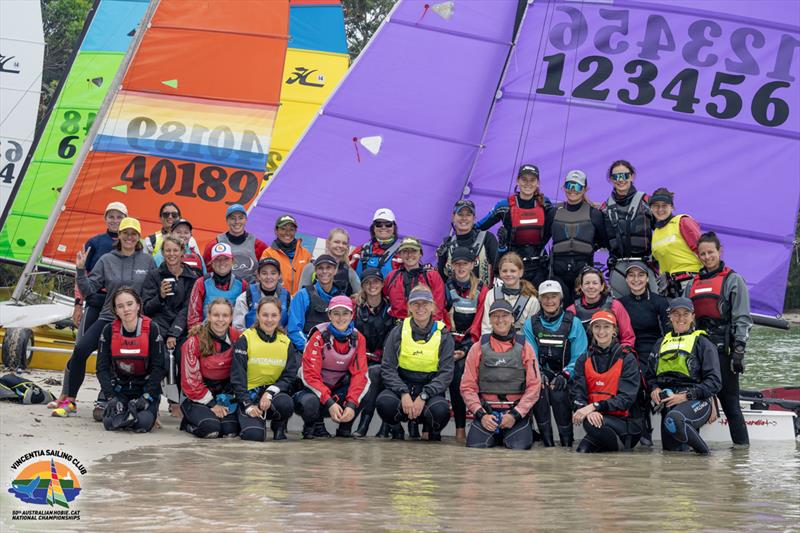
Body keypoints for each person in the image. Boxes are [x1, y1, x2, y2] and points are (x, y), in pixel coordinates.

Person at [52, 218, 155, 418]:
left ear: (138, 237)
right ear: (120, 235)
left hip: (135, 322)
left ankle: (126, 402)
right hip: (109, 317)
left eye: (133, 234)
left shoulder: (147, 261)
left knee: (123, 360)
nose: (129, 237)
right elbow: (88, 288)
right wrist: (81, 270)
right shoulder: (107, 259)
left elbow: (151, 292)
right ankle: (70, 401)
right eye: (126, 233)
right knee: (80, 350)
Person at [685, 231, 753, 446]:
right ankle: (695, 455)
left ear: (719, 251)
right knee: (695, 401)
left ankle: (741, 455)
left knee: (730, 404)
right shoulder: (691, 284)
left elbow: (742, 317)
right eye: (702, 253)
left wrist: (739, 350)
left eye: (710, 252)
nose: (706, 257)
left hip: (724, 351)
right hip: (698, 351)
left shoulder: (734, 280)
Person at [461, 300, 542, 449]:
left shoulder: (525, 347)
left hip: (515, 414)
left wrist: (515, 415)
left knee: (519, 450)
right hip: (487, 413)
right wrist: (481, 415)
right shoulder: (477, 347)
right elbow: (467, 386)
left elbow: (534, 386)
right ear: (490, 319)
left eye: (505, 316)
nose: (500, 320)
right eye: (495, 316)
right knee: (475, 448)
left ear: (512, 318)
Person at [377, 285, 454, 441]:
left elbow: (446, 374)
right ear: (409, 307)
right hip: (403, 388)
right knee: (385, 402)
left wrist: (424, 395)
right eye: (415, 304)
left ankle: (432, 432)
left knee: (440, 410)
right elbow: (387, 368)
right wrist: (403, 392)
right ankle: (396, 431)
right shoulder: (397, 331)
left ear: (432, 306)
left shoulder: (444, 335)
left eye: (425, 303)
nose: (420, 308)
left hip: (429, 392)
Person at [646, 298, 722, 454]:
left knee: (675, 419)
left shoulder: (703, 343)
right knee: (671, 453)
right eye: (676, 314)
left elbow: (715, 382)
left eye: (685, 314)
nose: (681, 319)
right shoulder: (660, 343)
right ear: (670, 317)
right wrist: (654, 388)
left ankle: (707, 457)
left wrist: (685, 396)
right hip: (669, 401)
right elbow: (650, 376)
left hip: (696, 400)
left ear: (693, 316)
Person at [523, 280, 588, 447]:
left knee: (559, 395)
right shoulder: (531, 323)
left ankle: (567, 443)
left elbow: (580, 356)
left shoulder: (574, 323)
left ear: (561, 299)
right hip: (543, 372)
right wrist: (539, 374)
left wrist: (565, 375)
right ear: (539, 299)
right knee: (540, 393)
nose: (549, 301)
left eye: (553, 297)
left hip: (568, 374)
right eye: (545, 297)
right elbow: (530, 355)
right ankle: (548, 444)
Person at [294, 296, 369, 438]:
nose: (341, 318)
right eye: (336, 313)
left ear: (352, 315)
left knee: (363, 392)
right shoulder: (318, 337)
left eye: (345, 313)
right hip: (313, 393)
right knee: (310, 403)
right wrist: (329, 402)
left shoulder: (358, 339)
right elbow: (309, 375)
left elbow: (360, 375)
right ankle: (312, 426)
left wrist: (352, 405)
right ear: (329, 315)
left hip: (336, 391)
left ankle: (345, 428)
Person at [141, 236, 199, 413]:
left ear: (182, 252)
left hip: (181, 328)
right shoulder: (154, 276)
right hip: (158, 327)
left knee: (185, 358)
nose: (172, 254)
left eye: (175, 250)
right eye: (168, 250)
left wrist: (174, 333)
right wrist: (160, 297)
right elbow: (146, 308)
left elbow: (188, 308)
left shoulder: (192, 277)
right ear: (162, 252)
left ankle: (180, 402)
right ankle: (152, 404)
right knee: (161, 361)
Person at [571, 311, 641, 453]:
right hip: (597, 421)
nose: (601, 331)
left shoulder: (627, 358)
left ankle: (622, 451)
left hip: (625, 425)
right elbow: (577, 393)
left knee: (588, 423)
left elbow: (626, 399)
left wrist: (594, 407)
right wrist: (587, 409)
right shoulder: (583, 359)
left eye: (606, 327)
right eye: (597, 327)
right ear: (591, 330)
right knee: (581, 452)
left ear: (614, 330)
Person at [96, 287, 165, 433]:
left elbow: (159, 367)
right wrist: (110, 397)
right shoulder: (108, 330)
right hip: (120, 390)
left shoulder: (152, 328)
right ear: (115, 310)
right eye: (120, 306)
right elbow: (101, 368)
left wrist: (147, 397)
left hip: (145, 390)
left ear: (138, 305)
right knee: (110, 423)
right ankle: (126, 410)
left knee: (141, 425)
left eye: (129, 304)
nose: (126, 309)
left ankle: (150, 412)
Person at [231, 297, 298, 442]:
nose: (269, 320)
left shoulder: (285, 342)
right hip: (249, 396)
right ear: (258, 315)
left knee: (286, 403)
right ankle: (245, 420)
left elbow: (289, 377)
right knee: (254, 436)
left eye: (274, 315)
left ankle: (278, 426)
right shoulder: (246, 339)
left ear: (280, 316)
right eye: (265, 315)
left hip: (271, 396)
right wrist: (248, 405)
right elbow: (238, 377)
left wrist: (269, 392)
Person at [618, 261, 670, 445]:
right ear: (626, 279)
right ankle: (640, 425)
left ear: (647, 278)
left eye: (640, 275)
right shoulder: (620, 304)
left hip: (656, 351)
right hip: (631, 352)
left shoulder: (660, 302)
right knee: (632, 373)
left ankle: (660, 425)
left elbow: (668, 333)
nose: (636, 279)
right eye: (631, 276)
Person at [477, 164, 551, 286]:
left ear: (538, 183)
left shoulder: (545, 204)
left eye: (532, 180)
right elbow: (479, 227)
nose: (528, 183)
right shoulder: (504, 206)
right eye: (524, 179)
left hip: (539, 268)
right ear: (517, 181)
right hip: (512, 268)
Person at [445, 247, 489, 441]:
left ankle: (464, 427)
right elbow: (442, 317)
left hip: (472, 345)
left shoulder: (483, 290)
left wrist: (464, 349)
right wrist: (449, 347)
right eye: (457, 264)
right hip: (449, 344)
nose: (461, 267)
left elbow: (479, 323)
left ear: (473, 264)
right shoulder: (446, 287)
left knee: (458, 374)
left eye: (465, 263)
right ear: (451, 266)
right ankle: (438, 427)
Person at [180, 298, 241, 438]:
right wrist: (212, 404)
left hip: (225, 396)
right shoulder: (193, 342)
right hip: (199, 398)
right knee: (211, 430)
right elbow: (191, 381)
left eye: (225, 315)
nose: (220, 320)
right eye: (216, 315)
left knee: (230, 431)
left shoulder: (237, 337)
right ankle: (188, 421)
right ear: (208, 316)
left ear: (231, 317)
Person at [546, 170, 607, 303]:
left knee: (581, 308)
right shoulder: (553, 212)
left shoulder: (594, 214)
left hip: (583, 270)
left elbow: (604, 240)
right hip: (558, 271)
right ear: (564, 187)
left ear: (585, 189)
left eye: (578, 186)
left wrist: (591, 246)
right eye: (569, 185)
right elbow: (541, 239)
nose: (573, 190)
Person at [601, 160, 657, 298]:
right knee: (619, 310)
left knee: (653, 306)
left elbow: (665, 226)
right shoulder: (604, 208)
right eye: (616, 177)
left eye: (624, 175)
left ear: (632, 176)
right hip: (618, 267)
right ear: (611, 179)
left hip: (644, 265)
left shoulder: (646, 201)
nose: (621, 180)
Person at [351, 268, 395, 438]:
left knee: (378, 373)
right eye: (367, 282)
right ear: (362, 286)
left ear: (382, 284)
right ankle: (368, 424)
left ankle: (368, 425)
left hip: (385, 359)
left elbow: (393, 337)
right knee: (371, 374)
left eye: (375, 281)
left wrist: (381, 355)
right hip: (360, 358)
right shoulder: (356, 307)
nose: (372, 285)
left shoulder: (391, 308)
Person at [72, 201, 127, 336]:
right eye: (111, 217)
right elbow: (82, 274)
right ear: (105, 219)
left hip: (122, 303)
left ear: (126, 219)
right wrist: (78, 305)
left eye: (119, 217)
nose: (115, 221)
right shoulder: (94, 242)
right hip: (97, 299)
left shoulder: (133, 244)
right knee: (81, 344)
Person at [383, 237, 450, 327]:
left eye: (414, 251)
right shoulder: (392, 277)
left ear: (420, 254)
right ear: (400, 255)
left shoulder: (432, 276)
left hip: (426, 327)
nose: (409, 255)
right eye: (405, 251)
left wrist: (429, 330)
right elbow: (383, 298)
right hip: (398, 327)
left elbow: (438, 307)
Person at [649, 187, 703, 297]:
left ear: (672, 207)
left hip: (691, 282)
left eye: (664, 205)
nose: (660, 209)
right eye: (656, 206)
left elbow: (703, 249)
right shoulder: (656, 233)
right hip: (669, 287)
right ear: (650, 208)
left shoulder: (682, 221)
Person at [566, 267, 636, 348]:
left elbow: (628, 338)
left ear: (602, 286)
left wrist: (621, 354)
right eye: (587, 283)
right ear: (581, 287)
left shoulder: (615, 306)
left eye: (595, 283)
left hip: (612, 354)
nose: (591, 286)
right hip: (583, 355)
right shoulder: (572, 310)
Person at [287, 255, 343, 351]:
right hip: (307, 352)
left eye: (328, 268)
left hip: (334, 354)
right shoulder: (303, 295)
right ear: (315, 271)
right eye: (320, 268)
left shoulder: (342, 298)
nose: (324, 271)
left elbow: (346, 329)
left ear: (335, 270)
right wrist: (311, 349)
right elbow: (294, 330)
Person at [187, 243, 248, 330]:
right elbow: (193, 320)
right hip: (206, 335)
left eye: (226, 259)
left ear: (232, 261)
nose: (221, 263)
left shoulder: (243, 285)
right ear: (211, 263)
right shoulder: (201, 283)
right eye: (217, 260)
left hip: (233, 336)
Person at [437, 199, 498, 285]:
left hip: (483, 296)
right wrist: (441, 260)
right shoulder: (447, 244)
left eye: (468, 215)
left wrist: (503, 249)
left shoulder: (487, 238)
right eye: (460, 214)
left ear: (474, 218)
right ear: (453, 216)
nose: (464, 218)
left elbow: (500, 269)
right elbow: (441, 280)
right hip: (454, 297)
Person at [202, 204, 268, 284]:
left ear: (246, 219)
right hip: (223, 291)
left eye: (240, 218)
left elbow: (268, 271)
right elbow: (206, 274)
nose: (237, 222)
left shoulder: (259, 245)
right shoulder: (214, 245)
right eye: (233, 218)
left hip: (250, 292)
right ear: (227, 221)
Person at [479, 252, 539, 335]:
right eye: (504, 271)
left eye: (513, 271)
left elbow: (531, 332)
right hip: (495, 342)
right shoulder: (491, 295)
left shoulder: (531, 300)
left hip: (520, 343)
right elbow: (486, 327)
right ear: (500, 272)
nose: (508, 274)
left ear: (521, 272)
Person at [260, 214, 313, 294]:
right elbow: (264, 280)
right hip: (277, 301)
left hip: (300, 302)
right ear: (276, 231)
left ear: (295, 231)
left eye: (291, 229)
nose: (287, 233)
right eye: (283, 229)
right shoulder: (268, 254)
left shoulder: (306, 254)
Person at [233, 257, 291, 331]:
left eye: (273, 273)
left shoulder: (288, 298)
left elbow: (291, 329)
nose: (269, 277)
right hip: (251, 341)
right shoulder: (245, 298)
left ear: (279, 275)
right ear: (258, 276)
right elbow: (238, 328)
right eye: (264, 273)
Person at [300, 228, 361, 295]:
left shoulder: (350, 273)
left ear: (347, 247)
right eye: (337, 242)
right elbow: (300, 298)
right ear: (328, 243)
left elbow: (361, 295)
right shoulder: (311, 268)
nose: (340, 246)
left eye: (344, 243)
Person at [350, 208, 403, 278]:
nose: (383, 227)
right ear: (373, 228)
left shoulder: (402, 252)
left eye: (388, 224)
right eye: (378, 224)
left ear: (394, 227)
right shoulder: (360, 250)